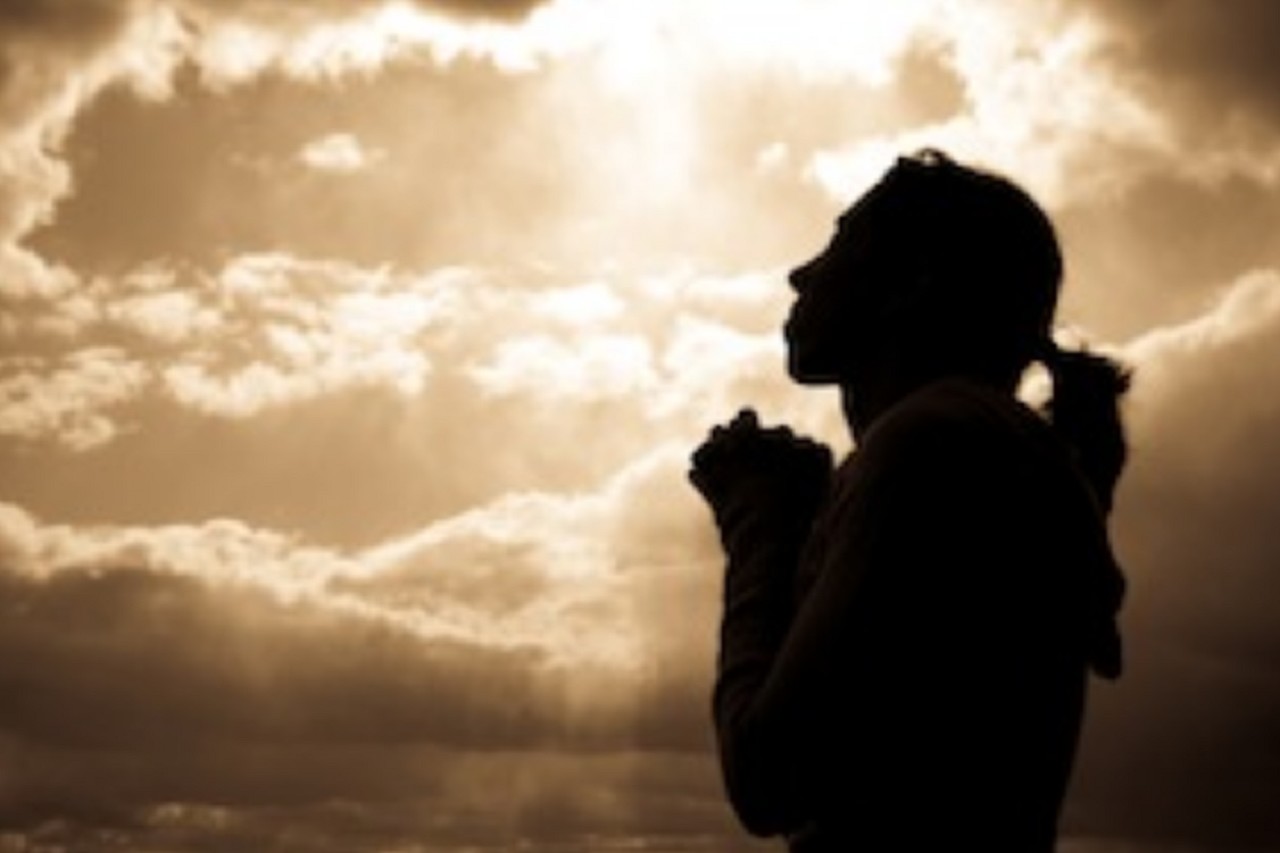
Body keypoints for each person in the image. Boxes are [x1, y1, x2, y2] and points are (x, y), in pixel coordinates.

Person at [689, 150, 1129, 851]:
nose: (800, 274)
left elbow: (770, 776)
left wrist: (758, 526)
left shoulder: (931, 444)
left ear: (911, 284)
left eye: (838, 245)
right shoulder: (980, 443)